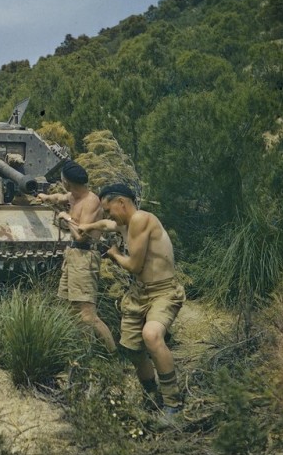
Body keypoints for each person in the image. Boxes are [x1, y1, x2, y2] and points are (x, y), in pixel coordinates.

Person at [77, 183, 186, 419]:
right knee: (133, 348)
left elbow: (134, 266)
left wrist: (115, 254)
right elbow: (107, 225)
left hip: (163, 292)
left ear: (122, 203)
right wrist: (89, 225)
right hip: (140, 294)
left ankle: (173, 402)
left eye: (108, 209)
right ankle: (151, 396)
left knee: (151, 336)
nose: (108, 215)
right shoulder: (126, 223)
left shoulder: (140, 219)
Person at [36, 161, 117, 354]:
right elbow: (59, 197)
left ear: (67, 181)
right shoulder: (73, 195)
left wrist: (66, 218)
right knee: (70, 308)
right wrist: (46, 197)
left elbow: (81, 234)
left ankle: (112, 354)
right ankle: (84, 352)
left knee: (88, 315)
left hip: (85, 255)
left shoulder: (91, 201)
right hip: (73, 255)